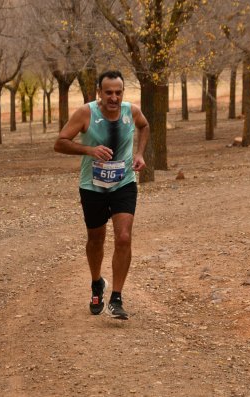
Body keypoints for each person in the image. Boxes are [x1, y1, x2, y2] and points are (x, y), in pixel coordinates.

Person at [54, 70, 149, 320]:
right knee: (95, 240)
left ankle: (116, 298)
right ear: (99, 93)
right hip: (92, 187)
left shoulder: (132, 111)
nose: (114, 98)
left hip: (124, 184)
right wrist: (89, 150)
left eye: (118, 92)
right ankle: (97, 283)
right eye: (108, 92)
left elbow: (145, 126)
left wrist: (139, 154)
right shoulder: (86, 113)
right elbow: (60, 142)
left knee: (124, 237)